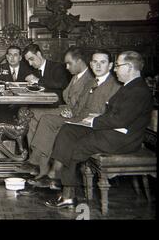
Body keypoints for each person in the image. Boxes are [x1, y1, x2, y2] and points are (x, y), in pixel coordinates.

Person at [45, 51, 153, 208]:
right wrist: (97, 118)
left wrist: (94, 120)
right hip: (112, 131)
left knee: (75, 147)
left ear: (129, 67)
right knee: (68, 130)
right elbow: (116, 115)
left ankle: (67, 194)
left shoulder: (138, 90)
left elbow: (120, 120)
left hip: (122, 139)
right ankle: (55, 174)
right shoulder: (129, 86)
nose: (115, 70)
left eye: (117, 66)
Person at [27, 50, 120, 188]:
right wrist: (71, 112)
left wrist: (80, 116)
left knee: (56, 126)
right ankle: (38, 165)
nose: (98, 66)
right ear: (90, 63)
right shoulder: (92, 82)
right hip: (78, 117)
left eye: (102, 62)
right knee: (46, 119)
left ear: (111, 65)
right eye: (95, 62)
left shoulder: (115, 85)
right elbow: (80, 105)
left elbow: (111, 113)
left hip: (93, 124)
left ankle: (46, 171)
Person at [19, 46, 92, 174]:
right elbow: (68, 96)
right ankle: (39, 166)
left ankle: (36, 163)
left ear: (79, 61)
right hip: (67, 109)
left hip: (75, 114)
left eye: (69, 63)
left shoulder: (89, 78)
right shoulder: (76, 76)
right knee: (31, 114)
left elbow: (85, 104)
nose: (67, 67)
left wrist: (71, 110)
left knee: (46, 120)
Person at [0, 45, 35, 123]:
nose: (12, 58)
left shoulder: (29, 69)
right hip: (4, 104)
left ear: (20, 58)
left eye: (15, 55)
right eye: (10, 55)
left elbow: (33, 88)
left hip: (23, 103)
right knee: (2, 114)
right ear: (7, 57)